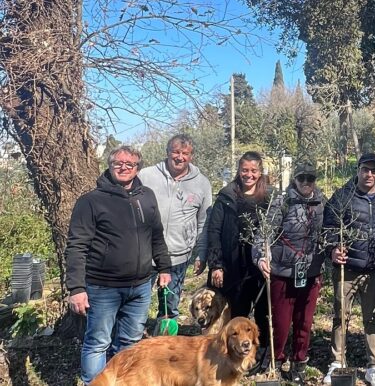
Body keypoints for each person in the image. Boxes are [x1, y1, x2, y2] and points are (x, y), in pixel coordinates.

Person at [65, 146, 171, 384]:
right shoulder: (91, 201)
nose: (123, 167)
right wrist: (76, 288)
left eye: (129, 164)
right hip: (103, 287)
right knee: (97, 343)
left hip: (142, 286)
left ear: (137, 168)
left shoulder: (147, 196)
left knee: (130, 343)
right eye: (118, 163)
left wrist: (164, 268)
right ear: (110, 166)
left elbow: (156, 235)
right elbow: (76, 246)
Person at [254, 161, 326, 384]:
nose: (305, 183)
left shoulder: (323, 203)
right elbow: (264, 233)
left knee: (304, 321)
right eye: (301, 178)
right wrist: (261, 256)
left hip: (311, 271)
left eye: (310, 178)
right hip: (283, 272)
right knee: (281, 322)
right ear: (294, 179)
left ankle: (299, 361)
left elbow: (329, 233)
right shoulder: (282, 202)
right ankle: (276, 359)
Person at [322, 153, 375, 386]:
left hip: (373, 271)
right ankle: (337, 362)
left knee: (372, 318)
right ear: (358, 170)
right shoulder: (342, 197)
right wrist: (333, 249)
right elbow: (329, 227)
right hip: (347, 270)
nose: (369, 174)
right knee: (341, 316)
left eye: (374, 171)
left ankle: (374, 366)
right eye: (365, 169)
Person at [206, 151, 278, 355]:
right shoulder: (227, 196)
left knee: (264, 311)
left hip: (261, 266)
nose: (249, 175)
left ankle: (263, 352)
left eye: (253, 170)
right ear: (238, 171)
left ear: (260, 171)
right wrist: (216, 264)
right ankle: (235, 353)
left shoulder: (270, 197)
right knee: (238, 312)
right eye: (244, 170)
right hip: (233, 265)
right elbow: (214, 231)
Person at [138, 134, 212, 320]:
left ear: (191, 156)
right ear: (167, 152)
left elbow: (204, 222)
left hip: (178, 257)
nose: (180, 157)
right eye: (175, 152)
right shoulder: (146, 176)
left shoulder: (201, 183)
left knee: (169, 308)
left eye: (185, 153)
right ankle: (136, 342)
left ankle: (165, 342)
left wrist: (201, 254)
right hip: (145, 254)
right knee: (138, 307)